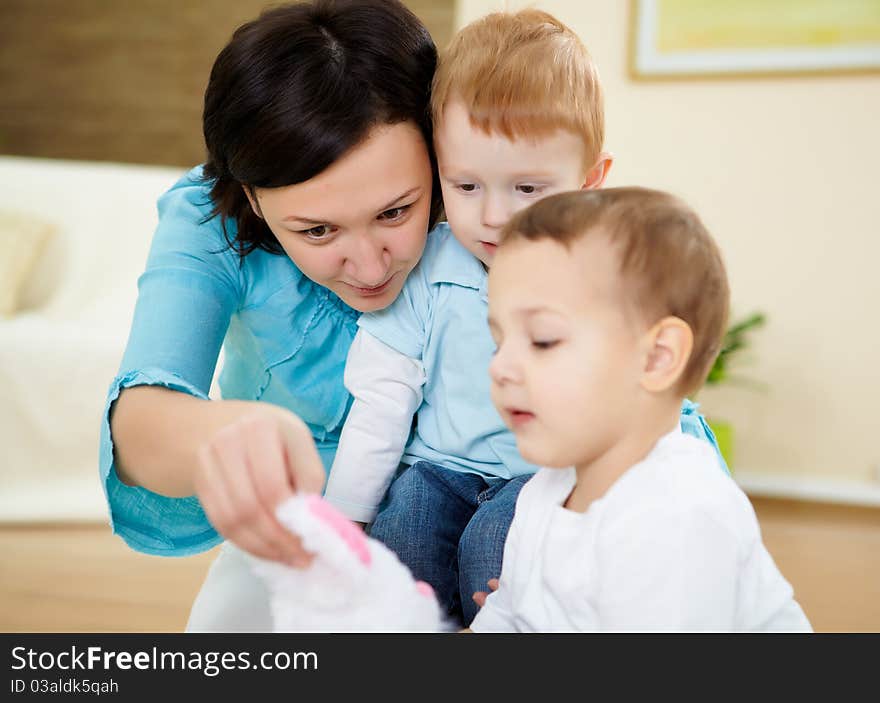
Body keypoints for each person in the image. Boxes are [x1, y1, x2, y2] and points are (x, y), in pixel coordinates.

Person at [323, 10, 724, 627]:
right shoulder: (428, 271)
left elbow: (648, 398)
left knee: (504, 560)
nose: (493, 217)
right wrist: (344, 519)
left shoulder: (606, 278)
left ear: (591, 183)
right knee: (399, 542)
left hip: (543, 476)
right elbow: (381, 399)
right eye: (466, 186)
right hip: (438, 470)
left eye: (529, 190)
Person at [99, 0, 444, 632]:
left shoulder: (485, 196)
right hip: (312, 524)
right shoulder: (210, 221)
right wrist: (230, 436)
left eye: (396, 212)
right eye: (317, 230)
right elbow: (141, 418)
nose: (369, 269)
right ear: (252, 198)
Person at [469, 188, 812, 632]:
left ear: (656, 358)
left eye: (542, 339)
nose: (500, 367)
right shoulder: (544, 492)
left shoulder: (680, 516)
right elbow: (508, 615)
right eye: (499, 341)